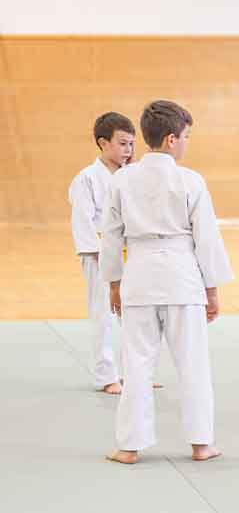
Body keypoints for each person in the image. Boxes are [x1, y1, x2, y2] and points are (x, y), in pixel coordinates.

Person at [100, 100, 233, 464]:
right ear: (172, 139)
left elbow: (111, 235)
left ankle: (128, 446)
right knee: (192, 362)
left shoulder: (123, 179)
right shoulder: (190, 181)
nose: (188, 143)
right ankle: (202, 443)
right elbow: (206, 238)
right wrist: (212, 288)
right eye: (187, 136)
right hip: (182, 276)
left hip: (138, 275)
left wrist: (114, 282)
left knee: (137, 363)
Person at [68, 112, 135, 394]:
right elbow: (83, 222)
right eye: (122, 143)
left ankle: (135, 372)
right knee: (103, 313)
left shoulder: (132, 176)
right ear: (103, 143)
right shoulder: (86, 179)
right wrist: (101, 256)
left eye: (131, 144)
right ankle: (106, 375)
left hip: (131, 253)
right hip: (99, 255)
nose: (128, 150)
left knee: (133, 315)